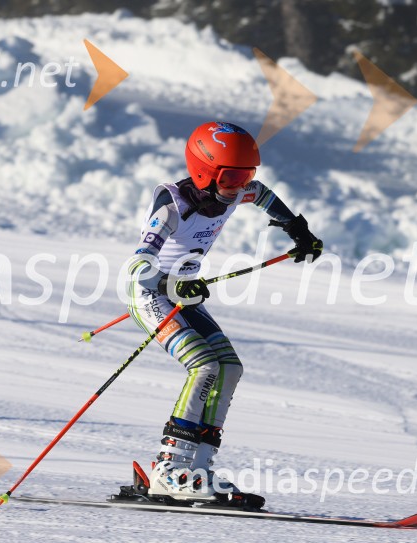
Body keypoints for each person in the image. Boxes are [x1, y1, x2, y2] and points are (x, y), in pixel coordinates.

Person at [123, 121, 323, 506]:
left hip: (182, 292)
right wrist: (172, 284)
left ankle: (197, 469)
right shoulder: (173, 205)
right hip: (148, 292)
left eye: (246, 174)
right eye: (231, 176)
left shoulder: (235, 191)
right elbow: (136, 266)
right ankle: (169, 471)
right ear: (204, 171)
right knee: (204, 366)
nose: (239, 185)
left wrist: (297, 229)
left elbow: (262, 195)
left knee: (230, 368)